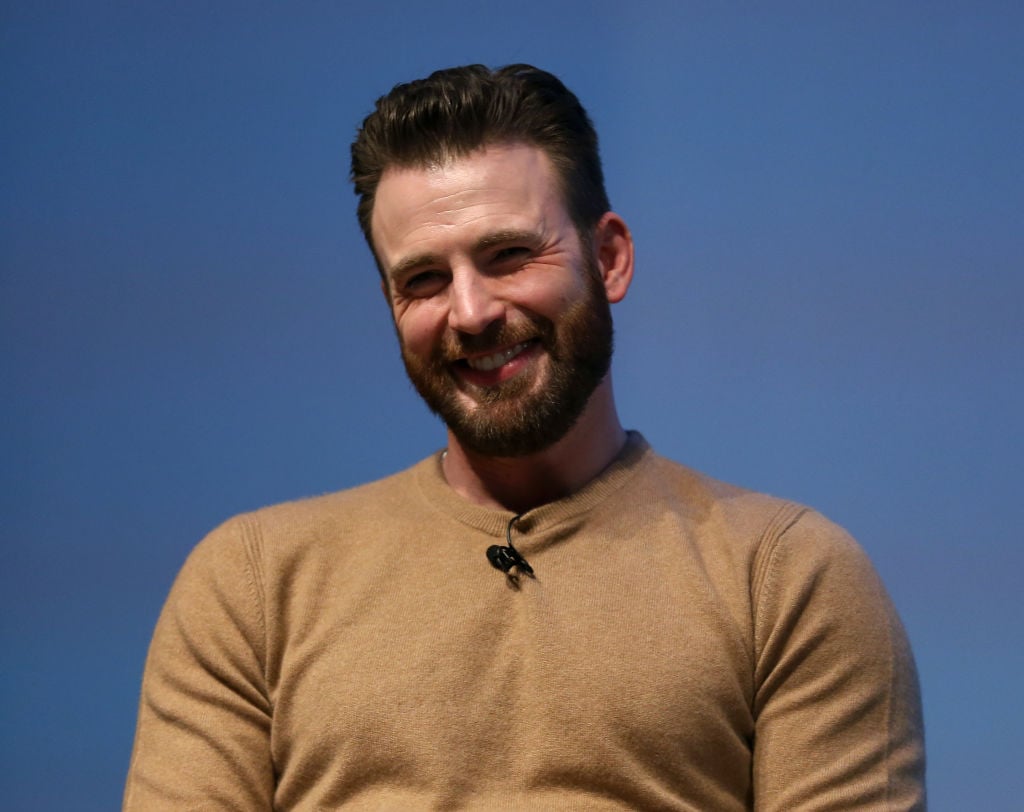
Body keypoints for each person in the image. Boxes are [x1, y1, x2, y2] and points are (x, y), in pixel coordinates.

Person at [124, 64, 926, 810]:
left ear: (608, 258)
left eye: (508, 255)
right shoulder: (254, 587)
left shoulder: (785, 577)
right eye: (423, 280)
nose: (470, 312)